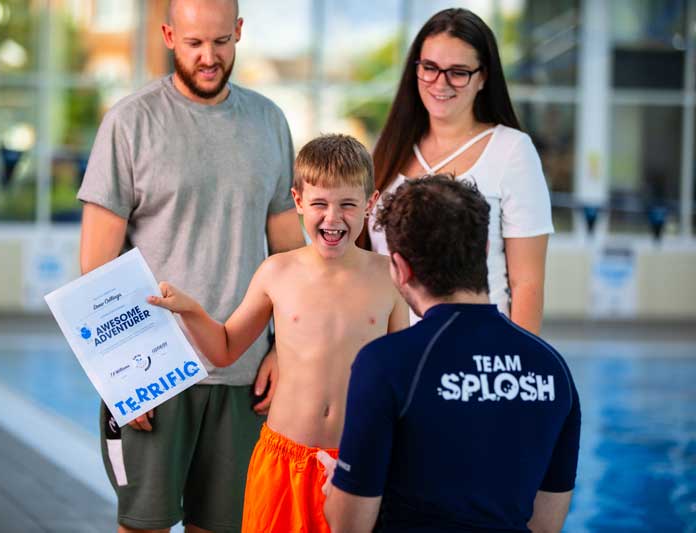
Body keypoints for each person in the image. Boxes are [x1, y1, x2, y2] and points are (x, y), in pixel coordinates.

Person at [77, 0, 304, 531]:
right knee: (143, 525)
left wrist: (284, 352)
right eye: (195, 43)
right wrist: (119, 375)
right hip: (155, 375)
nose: (209, 57)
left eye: (221, 42)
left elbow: (290, 258)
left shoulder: (269, 122)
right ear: (168, 35)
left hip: (243, 377)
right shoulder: (130, 122)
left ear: (239, 33)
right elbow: (96, 266)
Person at [148, 134, 409, 533]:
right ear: (298, 200)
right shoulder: (277, 272)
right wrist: (192, 312)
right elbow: (225, 349)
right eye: (319, 203)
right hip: (283, 460)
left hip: (359, 461)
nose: (332, 218)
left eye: (348, 205)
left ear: (370, 204)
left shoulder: (388, 277)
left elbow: (401, 381)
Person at [321, 176, 580, 532]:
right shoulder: (552, 370)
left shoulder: (386, 363)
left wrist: (339, 489)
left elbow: (349, 526)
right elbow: (546, 526)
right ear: (485, 250)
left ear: (400, 268)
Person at [360, 7, 553, 334]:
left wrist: (518, 363)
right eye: (430, 68)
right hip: (394, 353)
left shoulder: (511, 151)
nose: (440, 83)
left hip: (478, 351)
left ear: (483, 77)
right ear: (415, 69)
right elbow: (364, 261)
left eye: (458, 72)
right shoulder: (389, 151)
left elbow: (527, 283)